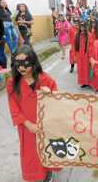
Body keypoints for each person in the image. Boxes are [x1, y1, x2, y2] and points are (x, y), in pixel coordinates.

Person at [6, 45, 60, 182]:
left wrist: (51, 95)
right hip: (27, 127)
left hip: (45, 125)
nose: (21, 68)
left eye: (25, 63)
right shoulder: (12, 84)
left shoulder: (46, 80)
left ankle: (48, 172)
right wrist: (27, 123)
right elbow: (14, 108)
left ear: (33, 62)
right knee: (31, 154)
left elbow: (59, 102)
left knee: (47, 150)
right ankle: (34, 175)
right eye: (18, 64)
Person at [75, 21, 92, 87]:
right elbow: (75, 46)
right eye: (81, 26)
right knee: (81, 69)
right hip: (79, 55)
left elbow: (91, 46)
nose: (82, 28)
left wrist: (90, 56)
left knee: (87, 69)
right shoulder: (77, 35)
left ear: (85, 27)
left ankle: (89, 82)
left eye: (83, 26)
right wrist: (75, 56)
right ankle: (83, 82)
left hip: (86, 55)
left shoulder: (89, 35)